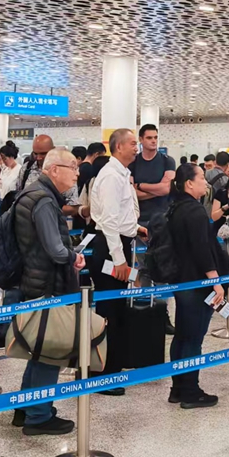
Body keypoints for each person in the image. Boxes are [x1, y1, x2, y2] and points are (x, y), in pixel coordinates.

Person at [10, 147, 86, 435]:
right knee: (50, 351)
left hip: (36, 280)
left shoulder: (35, 194)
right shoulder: (43, 200)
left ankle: (27, 408)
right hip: (46, 284)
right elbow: (55, 249)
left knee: (39, 349)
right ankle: (38, 416)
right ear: (54, 170)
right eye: (72, 167)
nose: (77, 173)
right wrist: (74, 256)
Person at [166, 163, 225, 408]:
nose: (205, 182)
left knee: (182, 335)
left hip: (181, 280)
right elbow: (202, 249)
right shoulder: (195, 211)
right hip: (197, 282)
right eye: (201, 177)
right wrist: (215, 281)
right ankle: (191, 391)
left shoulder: (175, 207)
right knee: (193, 338)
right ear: (189, 183)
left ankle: (178, 388)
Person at [87, 129, 140, 392]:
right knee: (108, 311)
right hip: (110, 248)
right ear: (118, 147)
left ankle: (114, 365)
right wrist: (119, 260)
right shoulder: (110, 176)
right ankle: (103, 374)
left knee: (117, 310)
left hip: (118, 243)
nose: (136, 147)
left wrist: (136, 228)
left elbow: (120, 214)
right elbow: (108, 221)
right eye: (132, 143)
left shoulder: (121, 173)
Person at [130, 124, 176, 229]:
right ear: (141, 139)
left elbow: (167, 189)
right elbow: (132, 193)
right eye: (149, 138)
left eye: (155, 137)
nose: (154, 141)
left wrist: (141, 186)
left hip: (162, 217)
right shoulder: (133, 162)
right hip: (139, 218)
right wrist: (158, 190)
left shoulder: (167, 161)